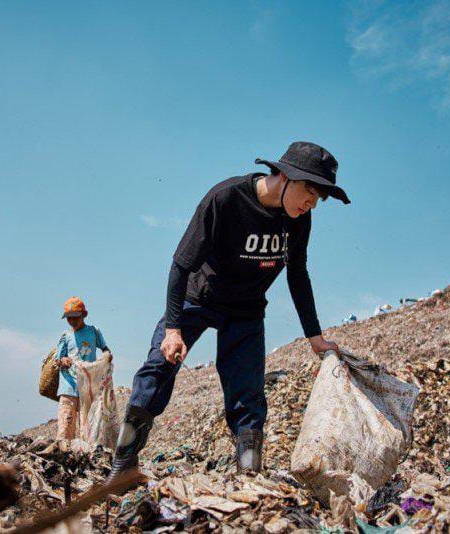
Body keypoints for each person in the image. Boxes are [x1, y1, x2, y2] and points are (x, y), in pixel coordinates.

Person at [106, 141, 350, 482]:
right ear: (282, 176)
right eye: (308, 189)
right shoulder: (226, 198)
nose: (311, 202)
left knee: (247, 394)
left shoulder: (298, 220)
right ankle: (122, 465)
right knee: (158, 368)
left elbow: (298, 275)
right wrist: (174, 329)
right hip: (199, 297)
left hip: (246, 310)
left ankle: (248, 477)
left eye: (319, 197)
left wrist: (315, 337)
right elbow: (180, 264)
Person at [55, 297, 112, 440]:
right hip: (68, 388)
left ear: (84, 315)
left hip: (87, 388)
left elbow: (105, 349)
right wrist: (63, 360)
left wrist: (107, 356)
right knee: (65, 428)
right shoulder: (65, 336)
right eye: (69, 319)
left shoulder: (93, 332)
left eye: (75, 318)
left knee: (86, 431)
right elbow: (57, 360)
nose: (72, 322)